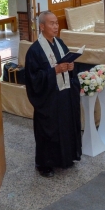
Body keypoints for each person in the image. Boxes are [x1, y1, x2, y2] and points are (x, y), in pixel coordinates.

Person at [24, 10, 82, 177]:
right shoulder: (34, 51)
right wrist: (54, 71)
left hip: (63, 94)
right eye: (52, 23)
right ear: (42, 27)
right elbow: (33, 79)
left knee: (65, 126)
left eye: (57, 23)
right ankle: (45, 164)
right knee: (48, 131)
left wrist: (70, 67)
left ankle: (65, 158)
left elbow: (67, 63)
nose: (56, 26)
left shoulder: (60, 43)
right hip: (48, 99)